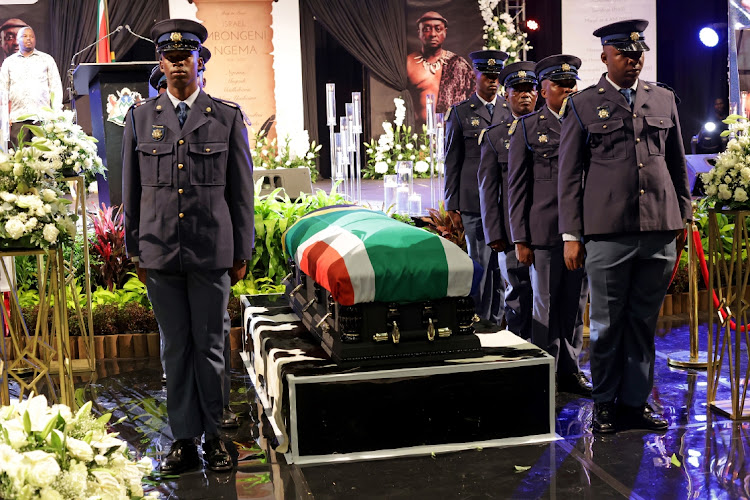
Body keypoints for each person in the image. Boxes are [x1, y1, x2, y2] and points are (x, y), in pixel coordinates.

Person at [122, 18, 254, 472]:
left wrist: (243, 251)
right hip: (159, 252)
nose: (178, 64)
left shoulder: (227, 117)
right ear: (161, 63)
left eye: (186, 57)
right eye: (171, 57)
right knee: (174, 348)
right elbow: (131, 192)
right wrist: (134, 250)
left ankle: (216, 436)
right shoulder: (140, 118)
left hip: (211, 252)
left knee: (211, 345)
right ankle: (182, 438)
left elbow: (241, 193)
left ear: (200, 62)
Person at [558, 19, 690, 433]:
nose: (633, 61)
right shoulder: (582, 105)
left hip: (658, 229)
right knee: (607, 324)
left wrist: (682, 215)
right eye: (624, 55)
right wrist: (571, 234)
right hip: (607, 232)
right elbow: (568, 175)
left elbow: (676, 163)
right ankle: (605, 404)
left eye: (638, 54)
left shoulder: (663, 99)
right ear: (605, 57)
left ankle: (634, 402)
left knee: (643, 322)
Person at [507, 54, 591, 396]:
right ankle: (546, 370)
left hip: (583, 231)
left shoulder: (587, 121)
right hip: (544, 233)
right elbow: (517, 186)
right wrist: (520, 238)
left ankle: (570, 370)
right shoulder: (528, 127)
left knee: (574, 304)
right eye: (560, 85)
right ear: (544, 90)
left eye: (572, 84)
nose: (569, 90)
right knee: (545, 306)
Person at [444, 50, 509, 325]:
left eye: (497, 77)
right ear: (476, 76)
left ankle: (499, 318)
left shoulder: (509, 110)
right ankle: (478, 318)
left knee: (501, 266)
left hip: (504, 201)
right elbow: (451, 162)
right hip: (473, 201)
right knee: (480, 263)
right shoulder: (460, 113)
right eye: (488, 76)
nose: (493, 82)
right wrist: (452, 204)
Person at [477, 61, 537, 341]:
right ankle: (518, 352)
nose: (525, 95)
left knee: (545, 300)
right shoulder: (496, 136)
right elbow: (488, 190)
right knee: (516, 296)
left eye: (531, 89)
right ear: (506, 94)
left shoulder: (555, 131)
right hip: (511, 232)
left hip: (546, 229)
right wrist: (494, 233)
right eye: (518, 90)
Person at [406, 11, 474, 125]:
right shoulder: (408, 63)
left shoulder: (459, 64)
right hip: (417, 134)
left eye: (438, 29)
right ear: (419, 32)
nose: (433, 34)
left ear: (445, 32)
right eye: (427, 29)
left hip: (452, 133)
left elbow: (473, 100)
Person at [0, 25, 63, 146]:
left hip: (42, 118)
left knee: (43, 158)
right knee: (20, 159)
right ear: (18, 40)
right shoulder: (9, 62)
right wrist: (5, 117)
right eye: (24, 36)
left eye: (31, 36)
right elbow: (3, 90)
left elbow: (55, 87)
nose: (28, 39)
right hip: (18, 118)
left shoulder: (46, 59)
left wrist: (55, 115)